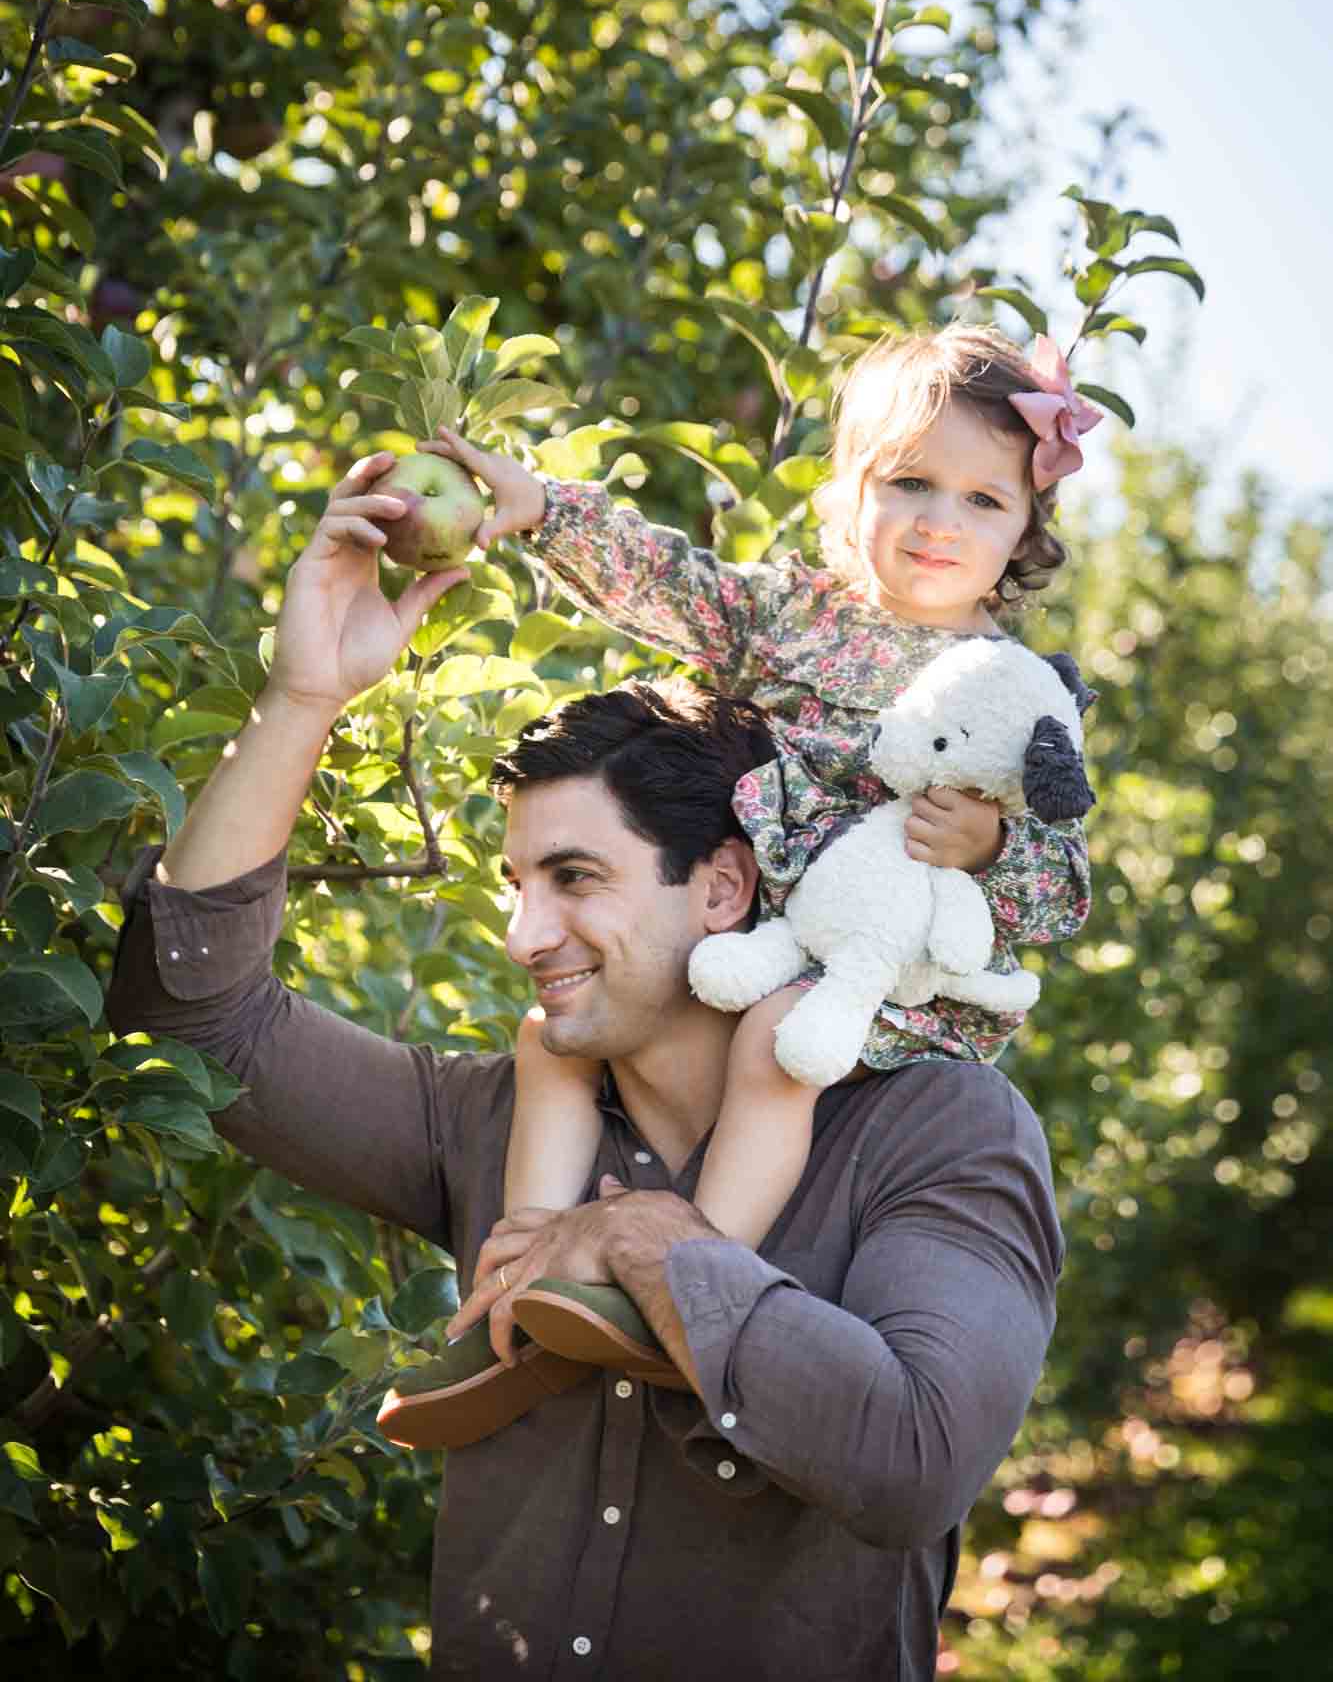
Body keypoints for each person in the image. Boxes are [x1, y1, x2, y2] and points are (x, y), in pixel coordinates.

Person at [104, 450, 1065, 1681]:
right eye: (518, 884)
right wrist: (300, 699)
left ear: (724, 885)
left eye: (574, 879)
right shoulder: (494, 1115)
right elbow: (187, 1018)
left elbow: (912, 1457)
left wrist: (656, 1249)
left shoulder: (938, 1130)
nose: (522, 937)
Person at [424, 325, 1095, 1364]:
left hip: (865, 983)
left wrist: (988, 841)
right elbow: (667, 579)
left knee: (775, 1038)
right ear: (849, 489)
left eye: (983, 499)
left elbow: (1063, 889)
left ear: (1022, 532)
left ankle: (685, 1275)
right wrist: (544, 508)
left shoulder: (1014, 692)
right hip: (730, 938)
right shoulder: (790, 614)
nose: (938, 522)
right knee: (545, 1038)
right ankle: (520, 1283)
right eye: (910, 481)